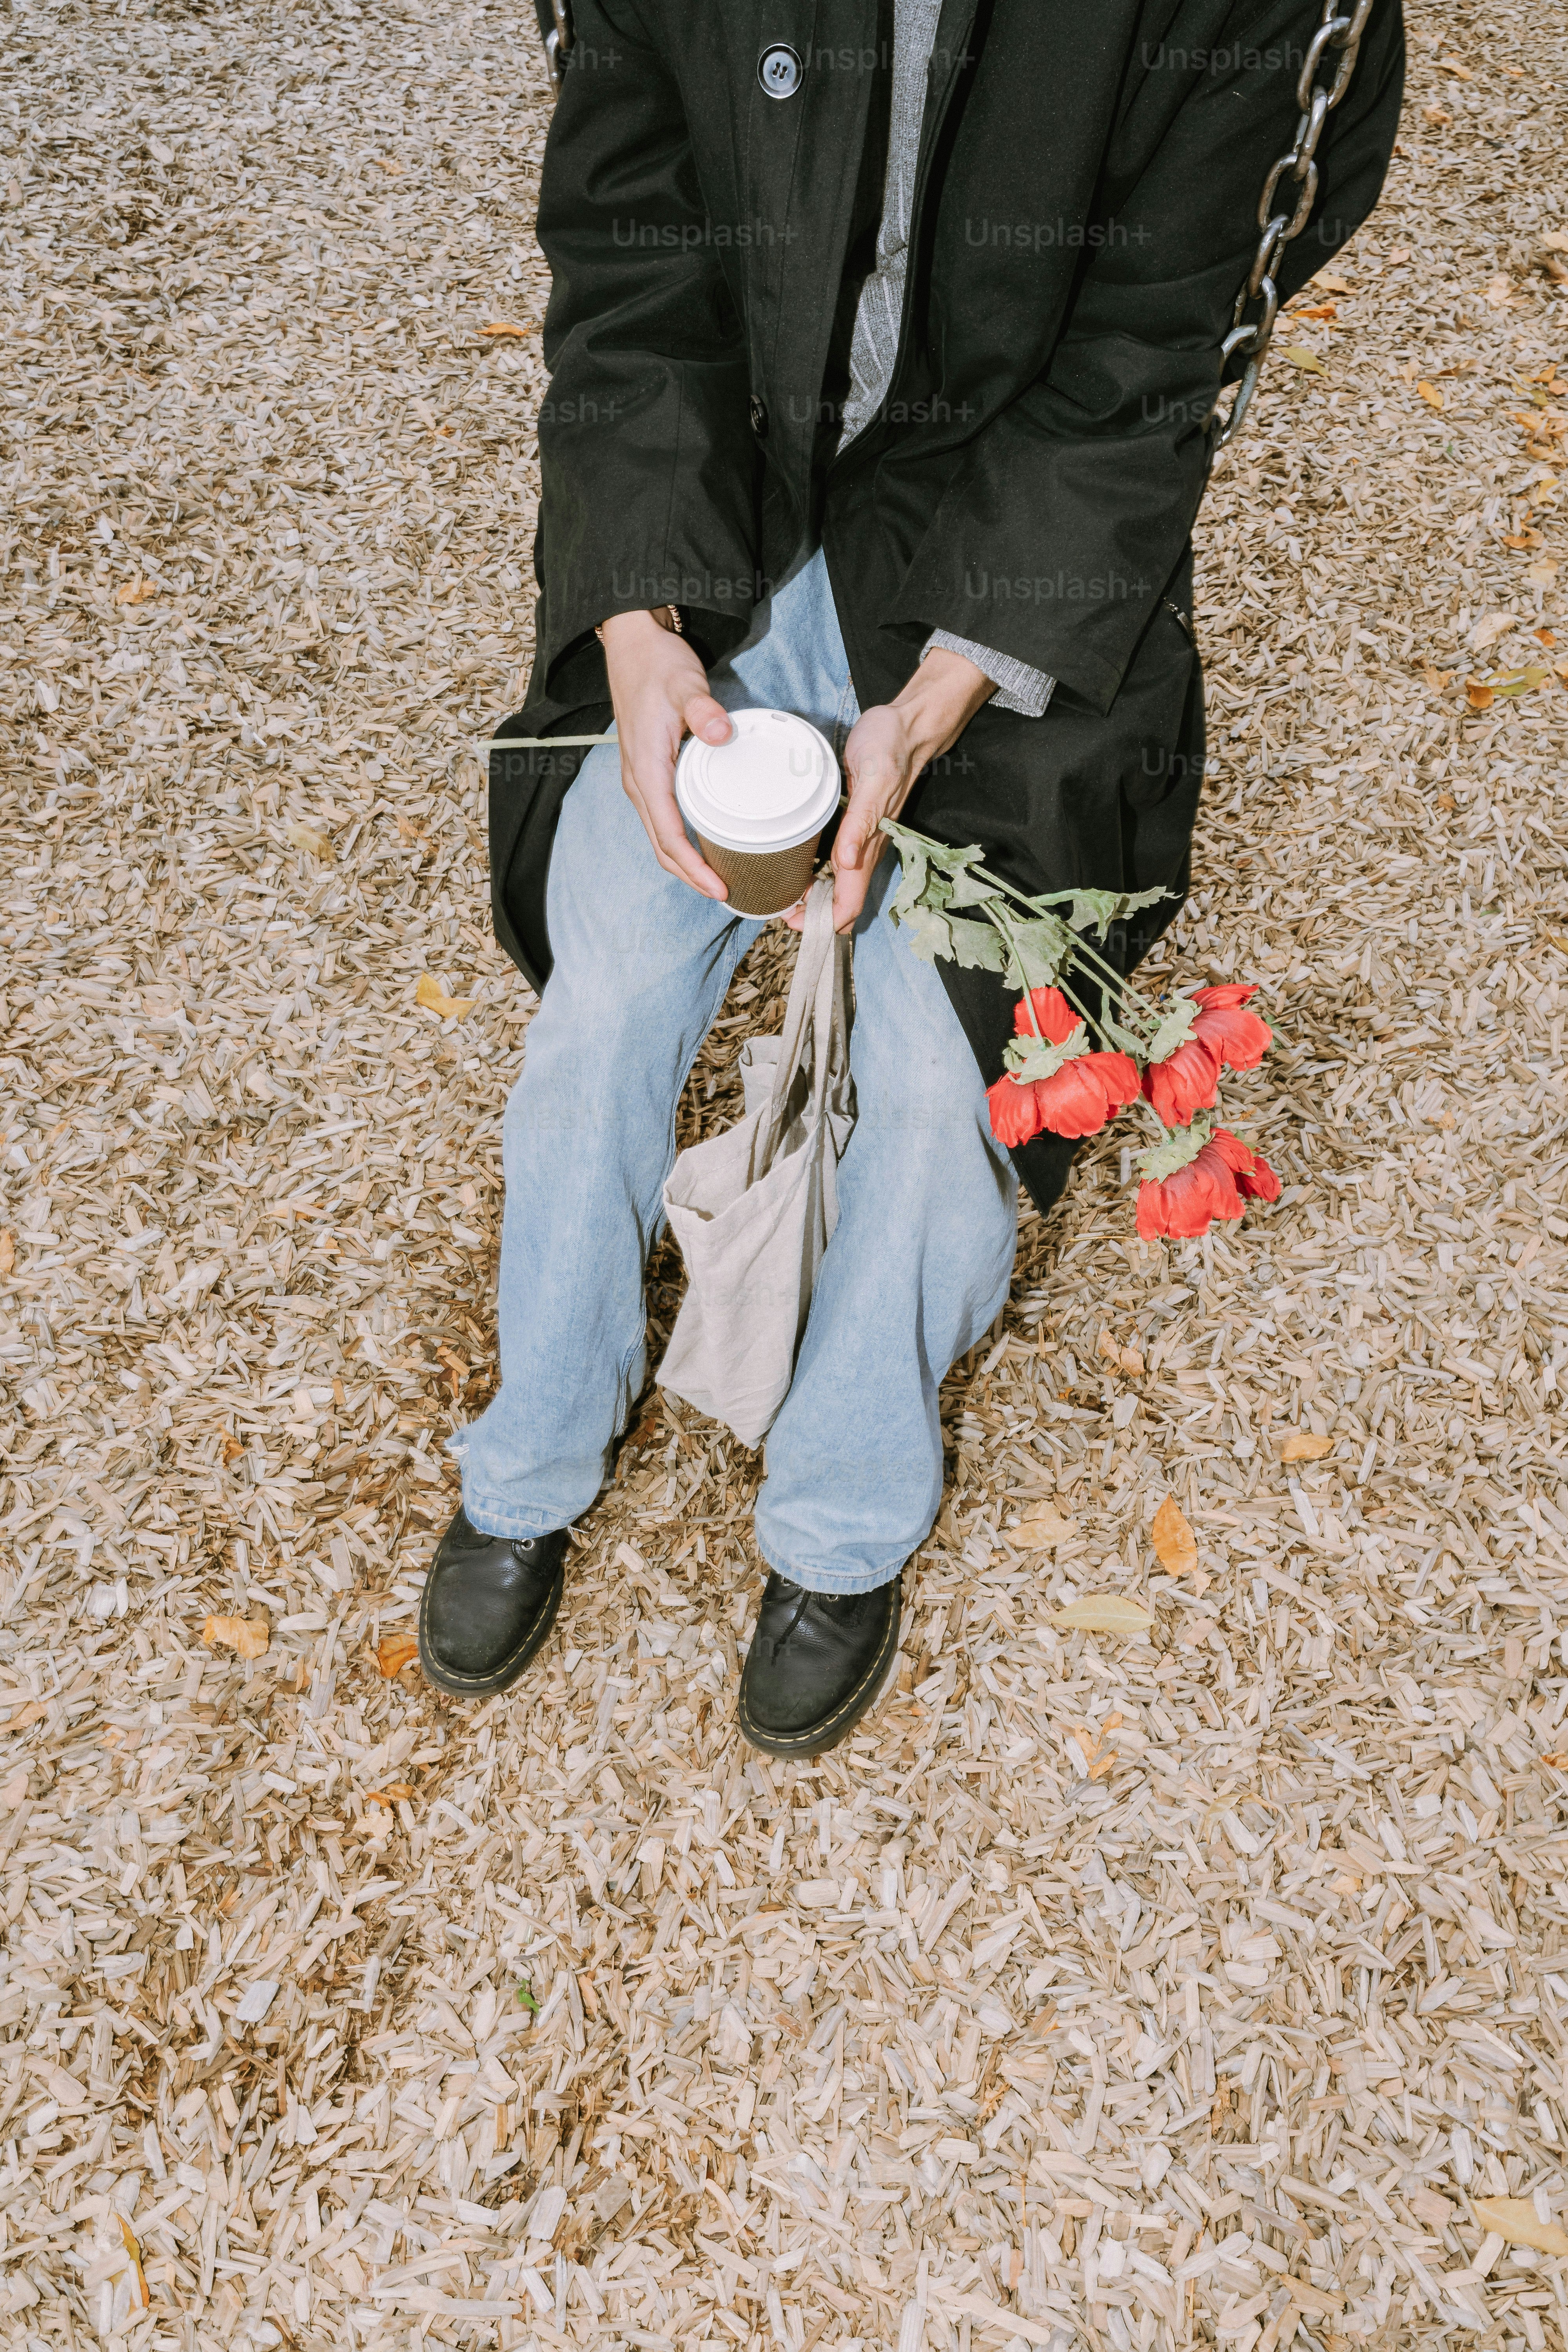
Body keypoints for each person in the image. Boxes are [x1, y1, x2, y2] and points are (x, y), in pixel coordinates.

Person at [416, 0, 1405, 1753]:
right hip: (725, 523)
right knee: (606, 997)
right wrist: (635, 617)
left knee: (941, 1075)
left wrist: (942, 692)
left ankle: (843, 1511)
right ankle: (533, 1452)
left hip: (995, 570)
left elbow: (1146, 354)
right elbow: (629, 239)